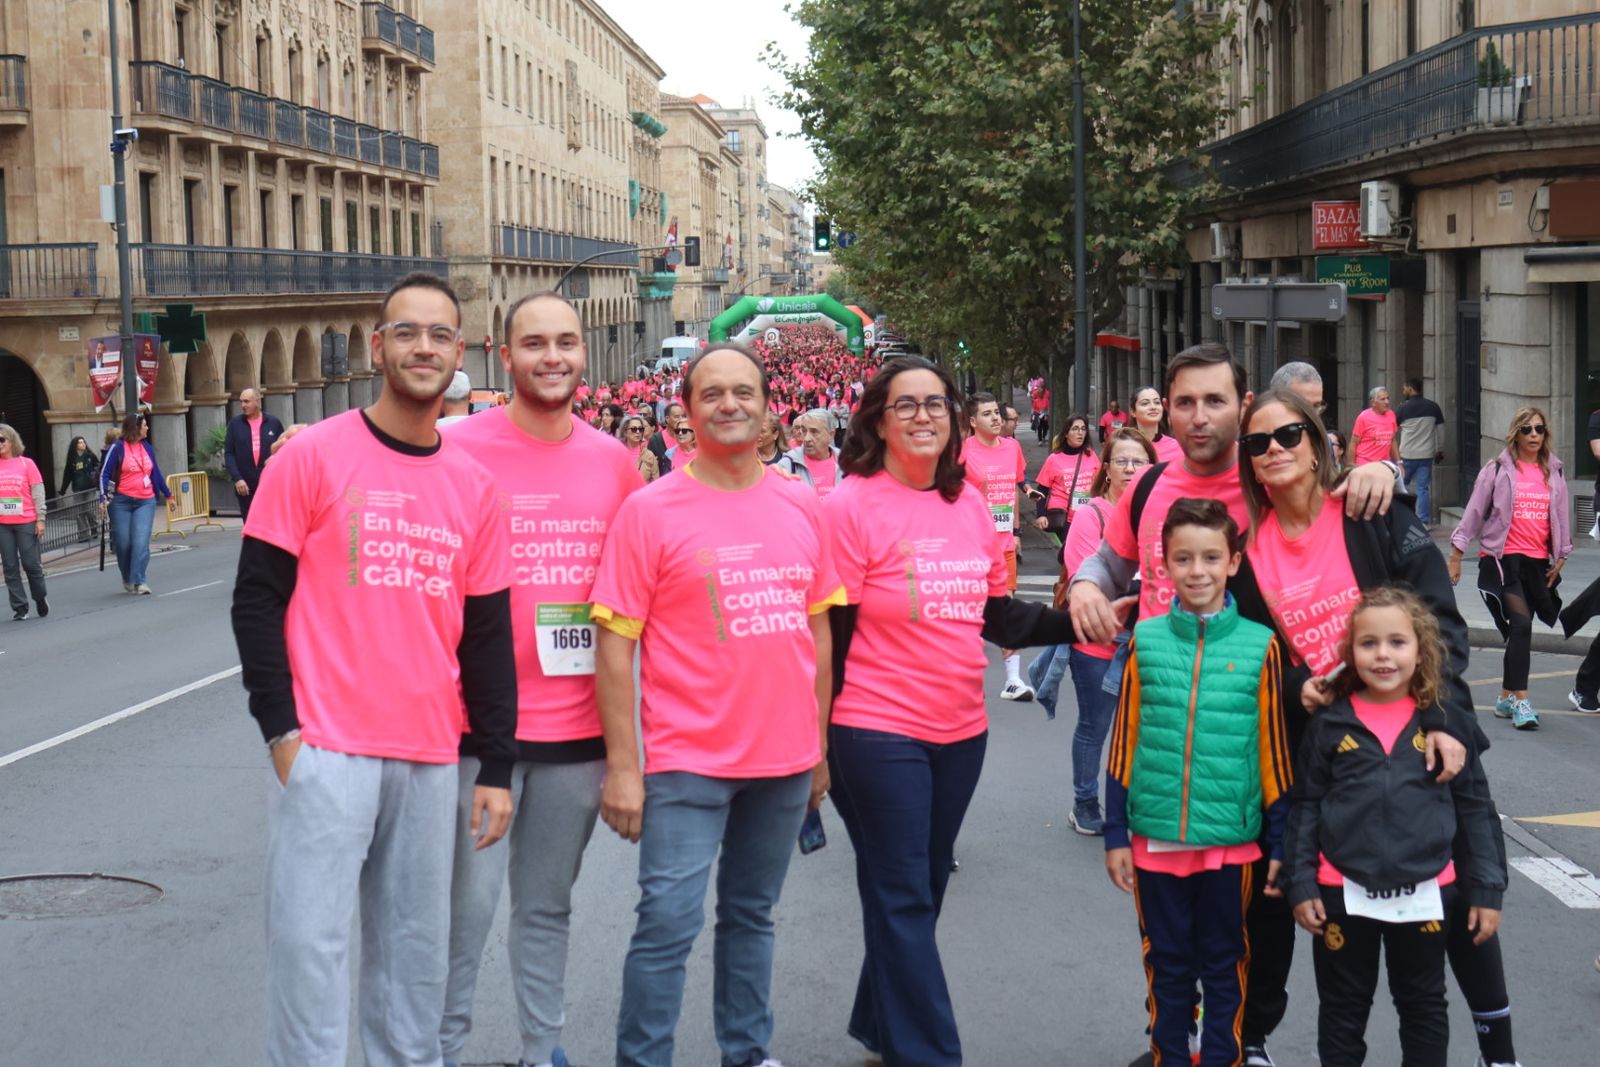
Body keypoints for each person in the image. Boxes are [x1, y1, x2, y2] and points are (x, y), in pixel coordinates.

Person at [1067, 348, 1424, 1067]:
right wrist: (1082, 580)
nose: (1200, 416)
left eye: (1216, 401)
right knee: (1173, 919)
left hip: (1262, 716)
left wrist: (1383, 469)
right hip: (1164, 711)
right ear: (1165, 407)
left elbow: (1321, 490)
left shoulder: (1263, 475)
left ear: (1244, 402)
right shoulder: (1150, 488)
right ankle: (1178, 1042)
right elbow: (1109, 558)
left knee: (1261, 907)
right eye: (1185, 401)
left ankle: (1245, 1040)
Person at [230, 272, 518, 1067]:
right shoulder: (312, 456)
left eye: (438, 334)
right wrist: (282, 732)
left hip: (430, 755)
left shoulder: (474, 487)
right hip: (325, 750)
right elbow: (257, 600)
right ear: (377, 344)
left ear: (460, 352)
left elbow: (488, 636)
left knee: (413, 962)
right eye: (405, 331)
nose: (422, 346)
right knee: (308, 953)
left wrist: (496, 760)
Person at [1232, 388, 1520, 1067]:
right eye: (1258, 442)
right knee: (1344, 931)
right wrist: (1288, 687)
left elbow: (1441, 622)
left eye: (1288, 435)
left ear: (1318, 438)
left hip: (1425, 727)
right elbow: (1249, 658)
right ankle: (1260, 1039)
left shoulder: (1371, 512)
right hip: (1337, 750)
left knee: (1465, 895)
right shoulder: (1248, 551)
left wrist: (1446, 719)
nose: (1274, 449)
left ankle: (1500, 1051)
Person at [592, 341, 840, 1067]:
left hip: (785, 759)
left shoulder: (802, 502)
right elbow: (614, 645)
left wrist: (819, 747)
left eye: (743, 393)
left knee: (751, 916)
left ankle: (747, 1050)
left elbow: (817, 632)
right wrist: (624, 767)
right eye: (712, 395)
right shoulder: (650, 510)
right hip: (684, 762)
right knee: (666, 924)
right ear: (686, 414)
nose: (729, 404)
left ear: (770, 410)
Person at [824, 356, 1075, 1066]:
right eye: (906, 405)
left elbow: (992, 613)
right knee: (902, 888)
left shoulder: (965, 502)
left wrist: (1079, 623)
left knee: (923, 883)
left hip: (961, 726)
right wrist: (815, 741)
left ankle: (880, 1022)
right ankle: (931, 1052)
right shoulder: (850, 503)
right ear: (877, 417)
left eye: (936, 403)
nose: (924, 415)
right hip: (872, 726)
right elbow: (829, 635)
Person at [440, 291, 642, 1067]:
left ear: (583, 352)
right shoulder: (457, 446)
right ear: (503, 352)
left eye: (565, 342)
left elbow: (631, 603)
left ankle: (543, 1047)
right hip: (474, 724)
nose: (551, 356)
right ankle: (440, 1050)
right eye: (535, 343)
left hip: (577, 730)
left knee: (547, 905)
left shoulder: (612, 460)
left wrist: (632, 749)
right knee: (466, 906)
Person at [1103, 498, 1294, 1067]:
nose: (1198, 570)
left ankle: (1222, 1059)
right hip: (1155, 841)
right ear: (1163, 565)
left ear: (1234, 561)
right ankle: (1166, 1056)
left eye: (1212, 557)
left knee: (1225, 960)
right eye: (1183, 558)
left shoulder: (1261, 646)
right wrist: (1116, 833)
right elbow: (1124, 746)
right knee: (1166, 964)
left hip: (1228, 847)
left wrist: (1280, 843)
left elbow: (1274, 756)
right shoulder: (1146, 641)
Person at [1284, 586, 1507, 1067]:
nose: (1383, 654)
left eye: (1397, 642)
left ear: (1421, 649)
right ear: (1349, 654)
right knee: (1343, 1012)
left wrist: (1487, 890)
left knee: (1423, 1008)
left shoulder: (1444, 726)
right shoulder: (1330, 724)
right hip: (1341, 893)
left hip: (1427, 893)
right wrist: (1300, 883)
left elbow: (1473, 806)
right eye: (1368, 644)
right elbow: (1305, 805)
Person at [1034, 428, 1156, 834]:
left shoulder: (1164, 514)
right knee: (1096, 726)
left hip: (1150, 643)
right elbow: (1093, 579)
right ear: (1106, 468)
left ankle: (1136, 802)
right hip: (1100, 643)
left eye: (1139, 461)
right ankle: (1085, 803)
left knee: (1145, 729)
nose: (1129, 468)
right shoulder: (1092, 514)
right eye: (1121, 460)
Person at [1449, 406, 1572, 731]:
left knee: (1521, 630)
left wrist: (1562, 555)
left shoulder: (1553, 471)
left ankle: (1504, 697)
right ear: (1515, 433)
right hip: (1503, 561)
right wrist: (1457, 552)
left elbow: (1561, 515)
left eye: (1539, 429)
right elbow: (1475, 510)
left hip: (1537, 565)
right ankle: (1521, 701)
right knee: (1521, 626)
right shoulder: (1498, 469)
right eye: (1527, 429)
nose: (1534, 435)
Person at [961, 391, 1034, 701]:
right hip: (969, 546)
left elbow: (1012, 491)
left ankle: (1013, 680)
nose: (995, 418)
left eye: (997, 412)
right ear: (973, 421)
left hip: (1002, 543)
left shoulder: (1013, 448)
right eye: (988, 413)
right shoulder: (961, 453)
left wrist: (1016, 531)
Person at [99, 413, 174, 595]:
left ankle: (140, 580)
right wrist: (103, 498)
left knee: (140, 542)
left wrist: (169, 495)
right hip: (121, 502)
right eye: (145, 425)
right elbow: (104, 474)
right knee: (123, 543)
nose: (147, 428)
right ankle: (127, 576)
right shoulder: (117, 448)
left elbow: (155, 473)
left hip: (145, 501)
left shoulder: (146, 447)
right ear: (136, 428)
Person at [0, 423, 48, 621]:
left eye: (2, 439)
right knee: (10, 567)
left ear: (12, 440)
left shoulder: (26, 464)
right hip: (3, 524)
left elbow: (38, 492)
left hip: (26, 521)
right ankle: (20, 607)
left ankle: (40, 597)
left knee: (31, 564)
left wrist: (41, 519)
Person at [1032, 414, 1100, 544]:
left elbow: (1101, 484)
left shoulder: (1091, 455)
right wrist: (1040, 514)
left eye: (1083, 429)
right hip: (1063, 517)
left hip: (1087, 515)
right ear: (1066, 433)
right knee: (1072, 555)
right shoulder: (1054, 458)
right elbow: (1042, 490)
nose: (1080, 433)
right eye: (1075, 429)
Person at [223, 387, 285, 524]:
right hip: (245, 485)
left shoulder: (274, 423)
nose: (243, 405)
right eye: (241, 402)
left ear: (257, 401)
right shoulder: (235, 424)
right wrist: (237, 478)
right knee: (250, 523)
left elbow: (283, 451)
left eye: (246, 401)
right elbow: (229, 454)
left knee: (270, 522)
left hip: (269, 482)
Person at [1395, 378, 1446, 526]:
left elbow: (1392, 431)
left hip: (1407, 455)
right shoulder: (1433, 407)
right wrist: (1440, 450)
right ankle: (1423, 521)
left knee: (1401, 487)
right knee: (1422, 489)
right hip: (1426, 455)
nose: (1403, 391)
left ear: (1410, 389)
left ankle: (1402, 520)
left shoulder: (1402, 409)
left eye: (1404, 388)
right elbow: (1441, 431)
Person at [777, 408, 843, 496]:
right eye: (804, 431)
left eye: (814, 432)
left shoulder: (846, 463)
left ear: (831, 434)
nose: (807, 438)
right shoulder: (787, 465)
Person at [58, 435, 101, 541]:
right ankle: (83, 535)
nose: (83, 444)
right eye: (80, 442)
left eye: (83, 442)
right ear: (75, 445)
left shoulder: (90, 456)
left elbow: (99, 467)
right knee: (79, 512)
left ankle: (94, 527)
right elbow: (67, 474)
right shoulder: (72, 458)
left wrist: (96, 479)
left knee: (89, 509)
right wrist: (63, 489)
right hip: (77, 488)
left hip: (89, 487)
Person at [1129, 384, 1184, 464]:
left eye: (1157, 402)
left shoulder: (1177, 447)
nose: (1153, 407)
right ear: (1133, 411)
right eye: (1145, 403)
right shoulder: (1122, 446)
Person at [1350, 386, 1398, 466]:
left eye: (1387, 398)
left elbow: (1393, 440)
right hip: (1365, 464)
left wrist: (1398, 462)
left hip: (1384, 465)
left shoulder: (1391, 415)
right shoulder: (1363, 417)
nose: (1387, 402)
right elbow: (1353, 443)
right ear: (1373, 403)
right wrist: (1351, 466)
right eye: (1383, 399)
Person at [619, 414, 662, 483]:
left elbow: (655, 482)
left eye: (641, 429)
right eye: (634, 429)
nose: (638, 432)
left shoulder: (649, 455)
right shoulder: (618, 454)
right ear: (625, 432)